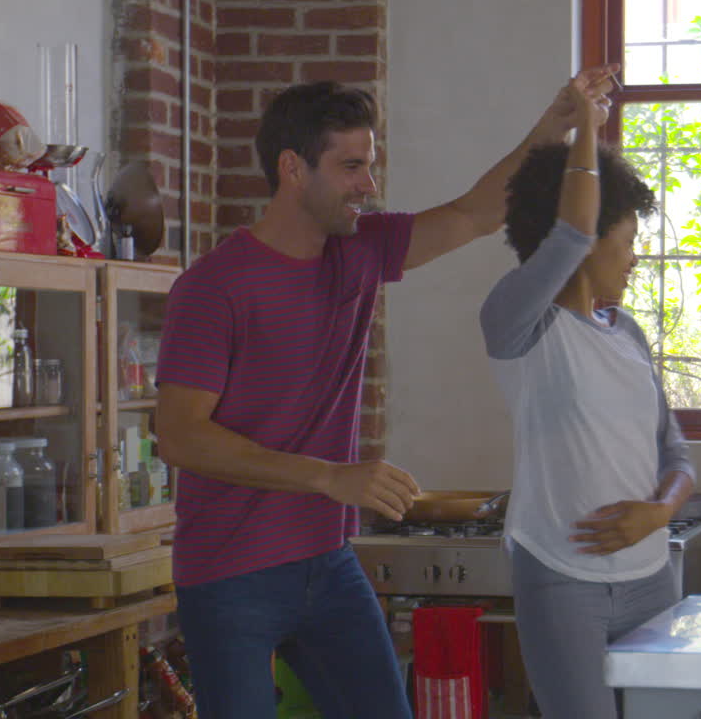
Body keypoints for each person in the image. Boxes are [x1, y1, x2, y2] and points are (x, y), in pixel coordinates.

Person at [155, 67, 618, 719]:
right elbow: (179, 433)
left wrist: (555, 123)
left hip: (327, 564)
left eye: (369, 165)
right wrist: (329, 478)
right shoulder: (213, 287)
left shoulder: (361, 251)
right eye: (350, 167)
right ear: (292, 169)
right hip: (230, 574)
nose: (368, 186)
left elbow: (475, 212)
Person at [479, 72, 696, 719]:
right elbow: (569, 234)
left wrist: (658, 513)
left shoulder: (627, 334)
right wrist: (587, 129)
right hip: (559, 582)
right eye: (626, 241)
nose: (635, 258)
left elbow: (679, 459)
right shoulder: (517, 325)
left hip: (654, 577)